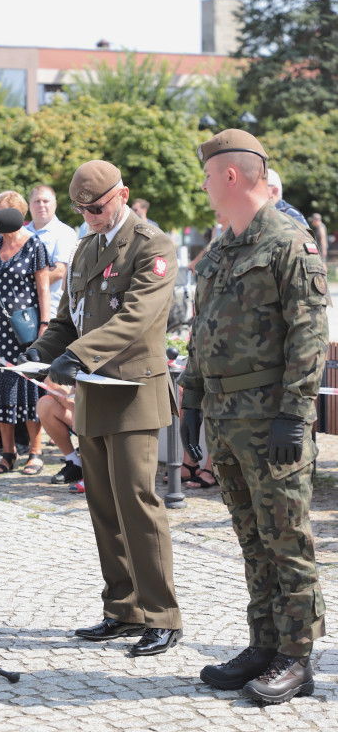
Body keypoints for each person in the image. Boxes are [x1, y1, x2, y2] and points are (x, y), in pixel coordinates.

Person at [179, 129, 328, 704]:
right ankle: (264, 643)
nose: (204, 184)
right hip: (224, 414)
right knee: (251, 536)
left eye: (208, 175)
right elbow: (201, 332)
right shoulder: (223, 247)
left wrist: (295, 415)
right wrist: (191, 400)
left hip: (271, 417)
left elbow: (310, 335)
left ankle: (297, 655)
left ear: (232, 176)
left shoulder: (289, 241)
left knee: (286, 536)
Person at [23, 160, 183, 658]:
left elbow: (136, 317)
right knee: (103, 505)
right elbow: (72, 315)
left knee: (138, 505)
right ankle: (122, 607)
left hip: (132, 391)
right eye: (82, 210)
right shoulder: (86, 247)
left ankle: (161, 616)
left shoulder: (151, 245)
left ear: (122, 194)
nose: (90, 217)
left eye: (97, 207)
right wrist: (44, 350)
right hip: (92, 390)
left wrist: (76, 356)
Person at [0, 191, 50, 476]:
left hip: (25, 332)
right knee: (1, 391)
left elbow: (43, 289)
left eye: (1, 211)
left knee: (29, 391)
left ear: (16, 214)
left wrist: (45, 326)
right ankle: (8, 452)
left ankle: (36, 451)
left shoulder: (34, 246)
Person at [26, 185, 77, 319]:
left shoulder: (65, 233)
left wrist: (22, 286)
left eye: (46, 201)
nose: (41, 205)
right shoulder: (21, 233)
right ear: (29, 205)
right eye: (37, 201)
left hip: (52, 311)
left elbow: (60, 271)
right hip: (22, 310)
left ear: (55, 204)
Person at [36, 378, 83, 490]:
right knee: (45, 405)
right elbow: (50, 378)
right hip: (77, 405)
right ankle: (74, 463)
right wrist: (73, 408)